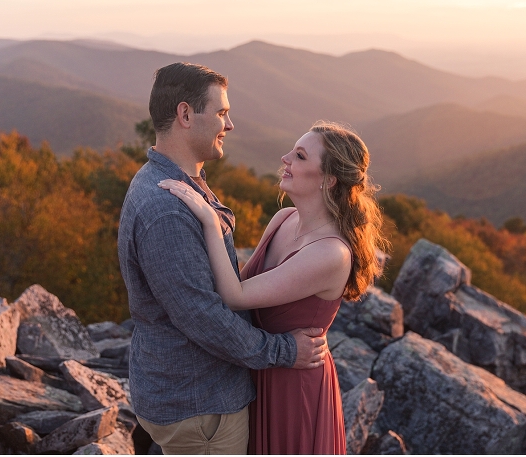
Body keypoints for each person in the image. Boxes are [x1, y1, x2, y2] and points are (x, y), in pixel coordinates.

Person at [118, 62, 329, 455]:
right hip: (201, 403)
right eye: (220, 112)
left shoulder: (179, 181)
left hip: (191, 392)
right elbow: (204, 318)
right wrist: (286, 351)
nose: (229, 124)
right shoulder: (166, 208)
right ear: (185, 115)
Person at [159, 121, 388, 454]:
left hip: (294, 386)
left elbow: (234, 295)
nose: (285, 158)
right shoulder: (283, 218)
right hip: (260, 368)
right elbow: (240, 288)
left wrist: (209, 219)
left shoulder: (331, 253)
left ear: (327, 179)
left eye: (299, 156)